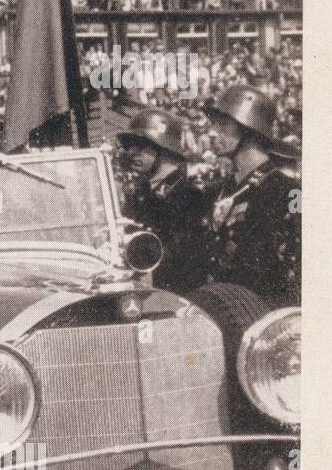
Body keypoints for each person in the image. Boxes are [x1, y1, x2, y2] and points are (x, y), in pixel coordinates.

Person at [203, 84, 301, 307]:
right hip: (221, 309)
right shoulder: (224, 188)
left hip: (262, 317)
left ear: (249, 130)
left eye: (224, 125)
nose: (213, 132)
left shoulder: (289, 190)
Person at [115, 108, 213, 294]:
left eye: (141, 146)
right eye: (130, 146)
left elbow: (186, 260)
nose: (133, 153)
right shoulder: (141, 193)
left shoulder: (189, 195)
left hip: (179, 296)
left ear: (164, 149)